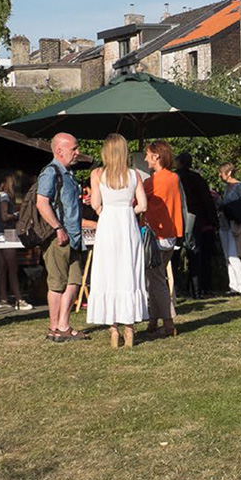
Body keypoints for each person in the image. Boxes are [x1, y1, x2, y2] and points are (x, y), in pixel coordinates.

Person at [88, 134, 149, 348]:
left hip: (108, 226)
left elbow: (95, 203)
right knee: (128, 272)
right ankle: (129, 328)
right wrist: (128, 211)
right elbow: (143, 205)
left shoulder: (97, 174)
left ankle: (113, 329)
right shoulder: (134, 175)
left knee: (108, 273)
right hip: (128, 226)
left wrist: (105, 210)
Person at [36, 132, 89, 343]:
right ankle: (54, 328)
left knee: (74, 281)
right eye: (73, 148)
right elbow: (42, 202)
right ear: (59, 151)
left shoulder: (69, 174)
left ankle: (63, 326)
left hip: (73, 237)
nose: (77, 152)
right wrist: (58, 227)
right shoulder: (50, 172)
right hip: (58, 238)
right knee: (57, 283)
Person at [143, 140, 183, 337]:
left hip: (156, 235)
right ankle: (153, 320)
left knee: (156, 279)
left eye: (148, 154)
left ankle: (167, 323)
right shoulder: (174, 177)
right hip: (171, 234)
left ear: (156, 156)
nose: (145, 158)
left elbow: (136, 201)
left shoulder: (152, 182)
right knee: (156, 278)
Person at [176, 152, 217, 299]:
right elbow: (207, 200)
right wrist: (212, 220)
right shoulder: (197, 178)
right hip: (195, 220)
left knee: (174, 256)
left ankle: (176, 288)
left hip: (178, 219)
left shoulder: (175, 177)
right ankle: (196, 289)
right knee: (195, 255)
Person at [0, 173, 29, 311]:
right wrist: (18, 214)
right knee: (12, 268)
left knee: (2, 268)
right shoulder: (4, 197)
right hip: (7, 233)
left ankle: (3, 299)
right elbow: (4, 216)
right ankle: (19, 299)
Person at [218, 163, 241, 295]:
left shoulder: (238, 186)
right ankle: (234, 286)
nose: (220, 175)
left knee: (233, 255)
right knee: (228, 256)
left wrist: (235, 211)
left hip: (234, 224)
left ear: (229, 173)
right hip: (224, 224)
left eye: (221, 173)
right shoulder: (226, 187)